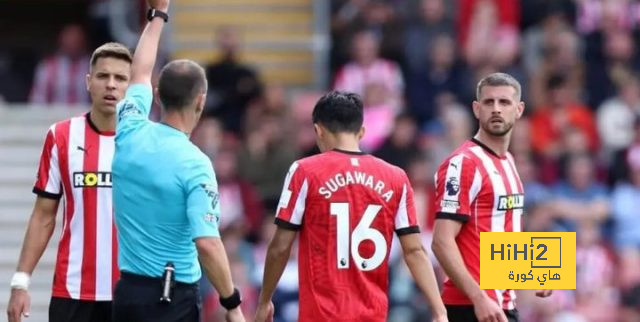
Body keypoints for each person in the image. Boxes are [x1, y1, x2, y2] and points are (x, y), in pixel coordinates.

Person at [254, 91, 448, 322]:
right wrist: (439, 310)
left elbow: (280, 247)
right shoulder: (396, 177)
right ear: (362, 132)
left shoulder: (304, 171)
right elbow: (415, 251)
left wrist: (265, 301)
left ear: (318, 131)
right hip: (372, 315)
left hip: (322, 315)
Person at [110, 1, 244, 321]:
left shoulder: (128, 130)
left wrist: (158, 16)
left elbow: (139, 71)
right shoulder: (195, 164)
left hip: (127, 292)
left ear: (156, 96)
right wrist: (233, 304)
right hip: (170, 297)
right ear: (201, 100)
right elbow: (208, 243)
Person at [6, 42, 133, 322]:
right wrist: (20, 282)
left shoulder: (145, 143)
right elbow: (43, 215)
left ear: (130, 86)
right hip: (72, 293)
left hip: (131, 292)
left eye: (120, 78)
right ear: (88, 82)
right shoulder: (62, 136)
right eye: (103, 76)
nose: (111, 85)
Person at [431, 72, 553, 322]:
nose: (496, 109)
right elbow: (441, 242)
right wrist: (478, 298)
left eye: (504, 102)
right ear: (477, 109)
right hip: (471, 307)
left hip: (501, 305)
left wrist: (537, 270)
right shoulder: (462, 164)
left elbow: (496, 234)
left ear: (519, 110)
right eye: (489, 102)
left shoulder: (508, 161)